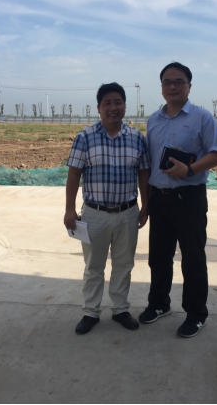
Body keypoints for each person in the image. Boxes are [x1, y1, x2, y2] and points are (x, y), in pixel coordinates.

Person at [139, 62, 217, 338]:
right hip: (160, 199)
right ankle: (159, 304)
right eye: (167, 82)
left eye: (179, 81)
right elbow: (148, 162)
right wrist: (146, 202)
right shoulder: (153, 120)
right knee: (158, 257)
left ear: (189, 86)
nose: (173, 86)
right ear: (161, 87)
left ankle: (196, 313)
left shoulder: (202, 117)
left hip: (189, 199)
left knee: (192, 259)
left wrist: (189, 169)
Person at [64, 82, 151, 335]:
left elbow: (143, 173)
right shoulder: (85, 137)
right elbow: (74, 174)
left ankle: (120, 309)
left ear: (124, 106)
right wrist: (70, 209)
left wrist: (146, 205)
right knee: (94, 267)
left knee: (124, 264)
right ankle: (91, 312)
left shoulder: (136, 138)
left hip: (128, 213)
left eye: (118, 102)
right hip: (95, 213)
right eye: (107, 103)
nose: (113, 108)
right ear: (99, 108)